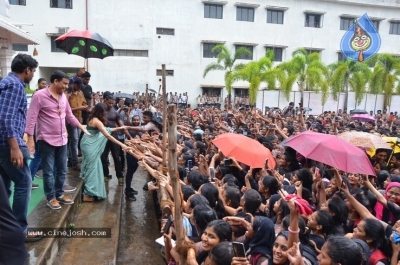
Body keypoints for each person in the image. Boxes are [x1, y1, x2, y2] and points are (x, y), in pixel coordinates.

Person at [25, 70, 90, 210]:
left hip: (62, 139)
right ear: (55, 81)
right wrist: (30, 138)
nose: (67, 87)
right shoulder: (39, 96)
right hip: (46, 140)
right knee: (48, 171)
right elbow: (31, 118)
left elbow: (69, 115)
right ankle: (51, 197)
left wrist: (80, 126)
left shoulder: (63, 97)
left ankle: (59, 194)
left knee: (62, 169)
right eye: (64, 83)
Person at [0, 53, 41, 241]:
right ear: (27, 70)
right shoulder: (15, 85)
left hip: (4, 144)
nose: (33, 75)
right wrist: (15, 147)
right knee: (24, 183)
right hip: (8, 145)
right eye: (33, 71)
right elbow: (6, 117)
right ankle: (19, 231)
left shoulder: (5, 83)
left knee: (5, 187)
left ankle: (5, 229)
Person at [80, 103, 128, 202]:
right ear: (101, 112)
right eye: (105, 111)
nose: (106, 113)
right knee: (91, 169)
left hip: (88, 144)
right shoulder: (96, 121)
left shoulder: (92, 118)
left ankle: (91, 192)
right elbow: (108, 135)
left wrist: (118, 128)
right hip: (90, 146)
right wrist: (122, 144)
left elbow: (107, 129)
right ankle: (87, 194)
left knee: (94, 167)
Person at [101, 95, 131, 185]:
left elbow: (122, 127)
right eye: (109, 103)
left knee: (116, 157)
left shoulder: (115, 113)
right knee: (103, 157)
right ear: (104, 100)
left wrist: (129, 136)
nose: (110, 105)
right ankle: (105, 174)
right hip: (102, 137)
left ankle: (120, 176)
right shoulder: (100, 111)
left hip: (114, 136)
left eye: (112, 103)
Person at [67, 78, 89, 171]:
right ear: (74, 84)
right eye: (78, 85)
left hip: (79, 120)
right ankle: (75, 163)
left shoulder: (80, 93)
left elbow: (84, 103)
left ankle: (71, 160)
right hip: (71, 120)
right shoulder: (68, 94)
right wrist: (80, 108)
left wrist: (85, 107)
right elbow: (67, 109)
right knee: (74, 140)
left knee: (74, 141)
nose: (80, 87)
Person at [29, 77, 48, 186]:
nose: (44, 85)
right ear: (38, 84)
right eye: (42, 83)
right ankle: (29, 179)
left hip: (40, 130)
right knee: (38, 156)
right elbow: (33, 116)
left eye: (45, 84)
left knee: (38, 156)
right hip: (39, 129)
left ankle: (30, 178)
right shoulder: (37, 95)